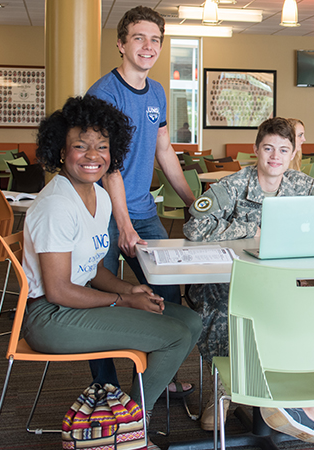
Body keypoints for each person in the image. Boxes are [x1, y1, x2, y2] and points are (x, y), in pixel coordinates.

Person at [22, 96, 202, 437]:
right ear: (61, 150)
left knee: (190, 321)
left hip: (75, 303)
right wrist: (122, 301)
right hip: (50, 317)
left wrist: (128, 288)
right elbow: (59, 289)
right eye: (80, 146)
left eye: (102, 147)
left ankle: (129, 415)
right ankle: (134, 425)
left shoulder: (99, 195)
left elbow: (93, 270)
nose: (93, 156)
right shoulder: (57, 205)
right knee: (174, 336)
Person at [183, 117, 314, 441]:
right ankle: (222, 391)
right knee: (225, 314)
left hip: (279, 282)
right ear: (256, 149)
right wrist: (249, 230)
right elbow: (194, 227)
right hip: (228, 283)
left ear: (294, 152)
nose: (275, 157)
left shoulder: (303, 185)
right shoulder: (234, 185)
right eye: (268, 148)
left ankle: (282, 394)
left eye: (283, 149)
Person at [86, 6, 196, 397]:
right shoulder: (104, 94)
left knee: (166, 293)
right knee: (102, 300)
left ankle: (153, 379)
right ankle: (107, 389)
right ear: (121, 43)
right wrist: (124, 225)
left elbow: (164, 150)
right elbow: (108, 164)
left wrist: (191, 201)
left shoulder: (157, 92)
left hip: (143, 209)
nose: (148, 47)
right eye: (139, 38)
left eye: (156, 40)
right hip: (102, 213)